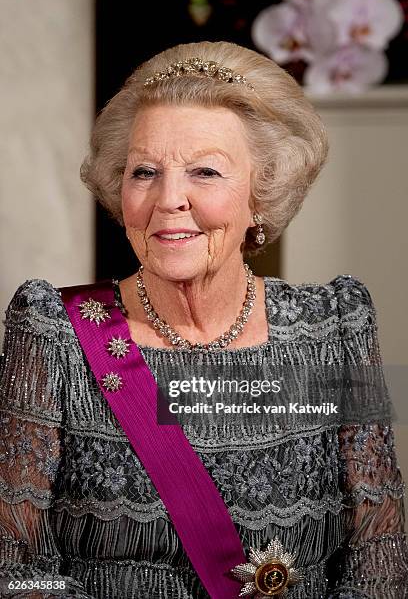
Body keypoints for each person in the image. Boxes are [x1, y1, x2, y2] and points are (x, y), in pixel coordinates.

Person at [0, 40, 407, 599]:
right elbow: (14, 564)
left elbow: (380, 556)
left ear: (260, 195)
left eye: (206, 172)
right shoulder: (55, 333)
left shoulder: (334, 326)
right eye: (144, 171)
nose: (169, 199)